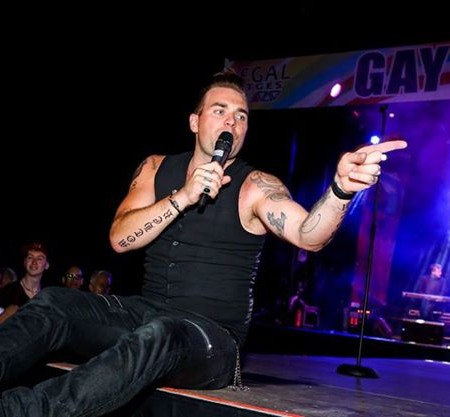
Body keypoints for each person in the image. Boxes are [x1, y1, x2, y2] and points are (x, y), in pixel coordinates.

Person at [0, 69, 407, 417]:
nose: (232, 121)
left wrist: (340, 190)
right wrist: (182, 197)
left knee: (160, 334)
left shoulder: (255, 186)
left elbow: (308, 235)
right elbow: (120, 239)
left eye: (241, 116)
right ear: (195, 122)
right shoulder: (157, 168)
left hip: (211, 340)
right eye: (220, 110)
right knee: (55, 302)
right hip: (145, 314)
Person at [0, 242, 49, 325]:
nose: (34, 262)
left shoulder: (48, 295)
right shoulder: (8, 292)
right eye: (30, 257)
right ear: (25, 262)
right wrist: (5, 316)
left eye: (39, 258)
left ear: (47, 265)